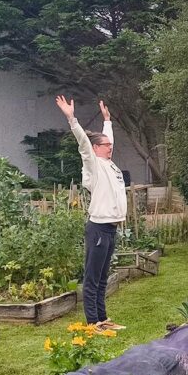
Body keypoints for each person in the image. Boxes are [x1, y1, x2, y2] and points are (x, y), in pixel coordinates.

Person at [55, 95, 127, 326]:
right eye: (106, 145)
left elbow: (108, 140)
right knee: (92, 279)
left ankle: (103, 319)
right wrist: (71, 119)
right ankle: (92, 322)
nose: (110, 147)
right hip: (97, 228)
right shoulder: (93, 165)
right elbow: (84, 145)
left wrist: (108, 122)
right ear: (96, 148)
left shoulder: (109, 163)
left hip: (110, 228)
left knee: (103, 277)